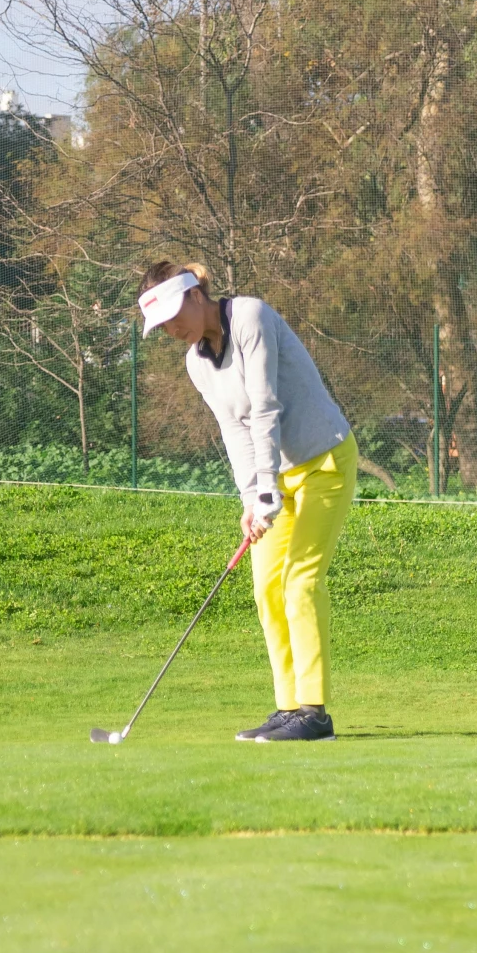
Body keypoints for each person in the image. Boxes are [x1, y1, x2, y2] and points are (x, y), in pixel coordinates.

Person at [138, 261, 357, 742]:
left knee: (300, 582)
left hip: (324, 463)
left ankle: (315, 713)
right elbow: (233, 429)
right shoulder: (196, 363)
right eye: (164, 325)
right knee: (266, 591)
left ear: (196, 295)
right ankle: (288, 707)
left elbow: (264, 407)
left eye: (176, 315)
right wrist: (251, 498)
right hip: (272, 479)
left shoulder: (252, 317)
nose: (174, 329)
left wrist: (266, 491)